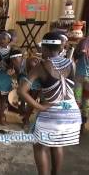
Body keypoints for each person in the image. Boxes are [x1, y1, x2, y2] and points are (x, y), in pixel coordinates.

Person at [19, 32, 82, 175]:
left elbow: (21, 91)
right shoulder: (71, 63)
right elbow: (77, 85)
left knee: (39, 146)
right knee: (57, 143)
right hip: (71, 112)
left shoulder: (41, 66)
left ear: (45, 49)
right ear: (60, 48)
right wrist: (77, 102)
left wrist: (40, 107)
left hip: (53, 114)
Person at [9, 49, 41, 128]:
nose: (14, 62)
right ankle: (24, 114)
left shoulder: (31, 62)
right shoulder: (16, 65)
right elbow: (18, 78)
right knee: (23, 97)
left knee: (32, 100)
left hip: (37, 80)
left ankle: (26, 119)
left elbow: (38, 75)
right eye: (13, 61)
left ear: (21, 57)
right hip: (28, 80)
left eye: (16, 60)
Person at [74, 37, 89, 134]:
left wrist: (81, 53)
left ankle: (77, 124)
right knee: (86, 101)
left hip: (79, 76)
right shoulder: (84, 41)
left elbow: (74, 56)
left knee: (77, 100)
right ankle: (83, 124)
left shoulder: (83, 41)